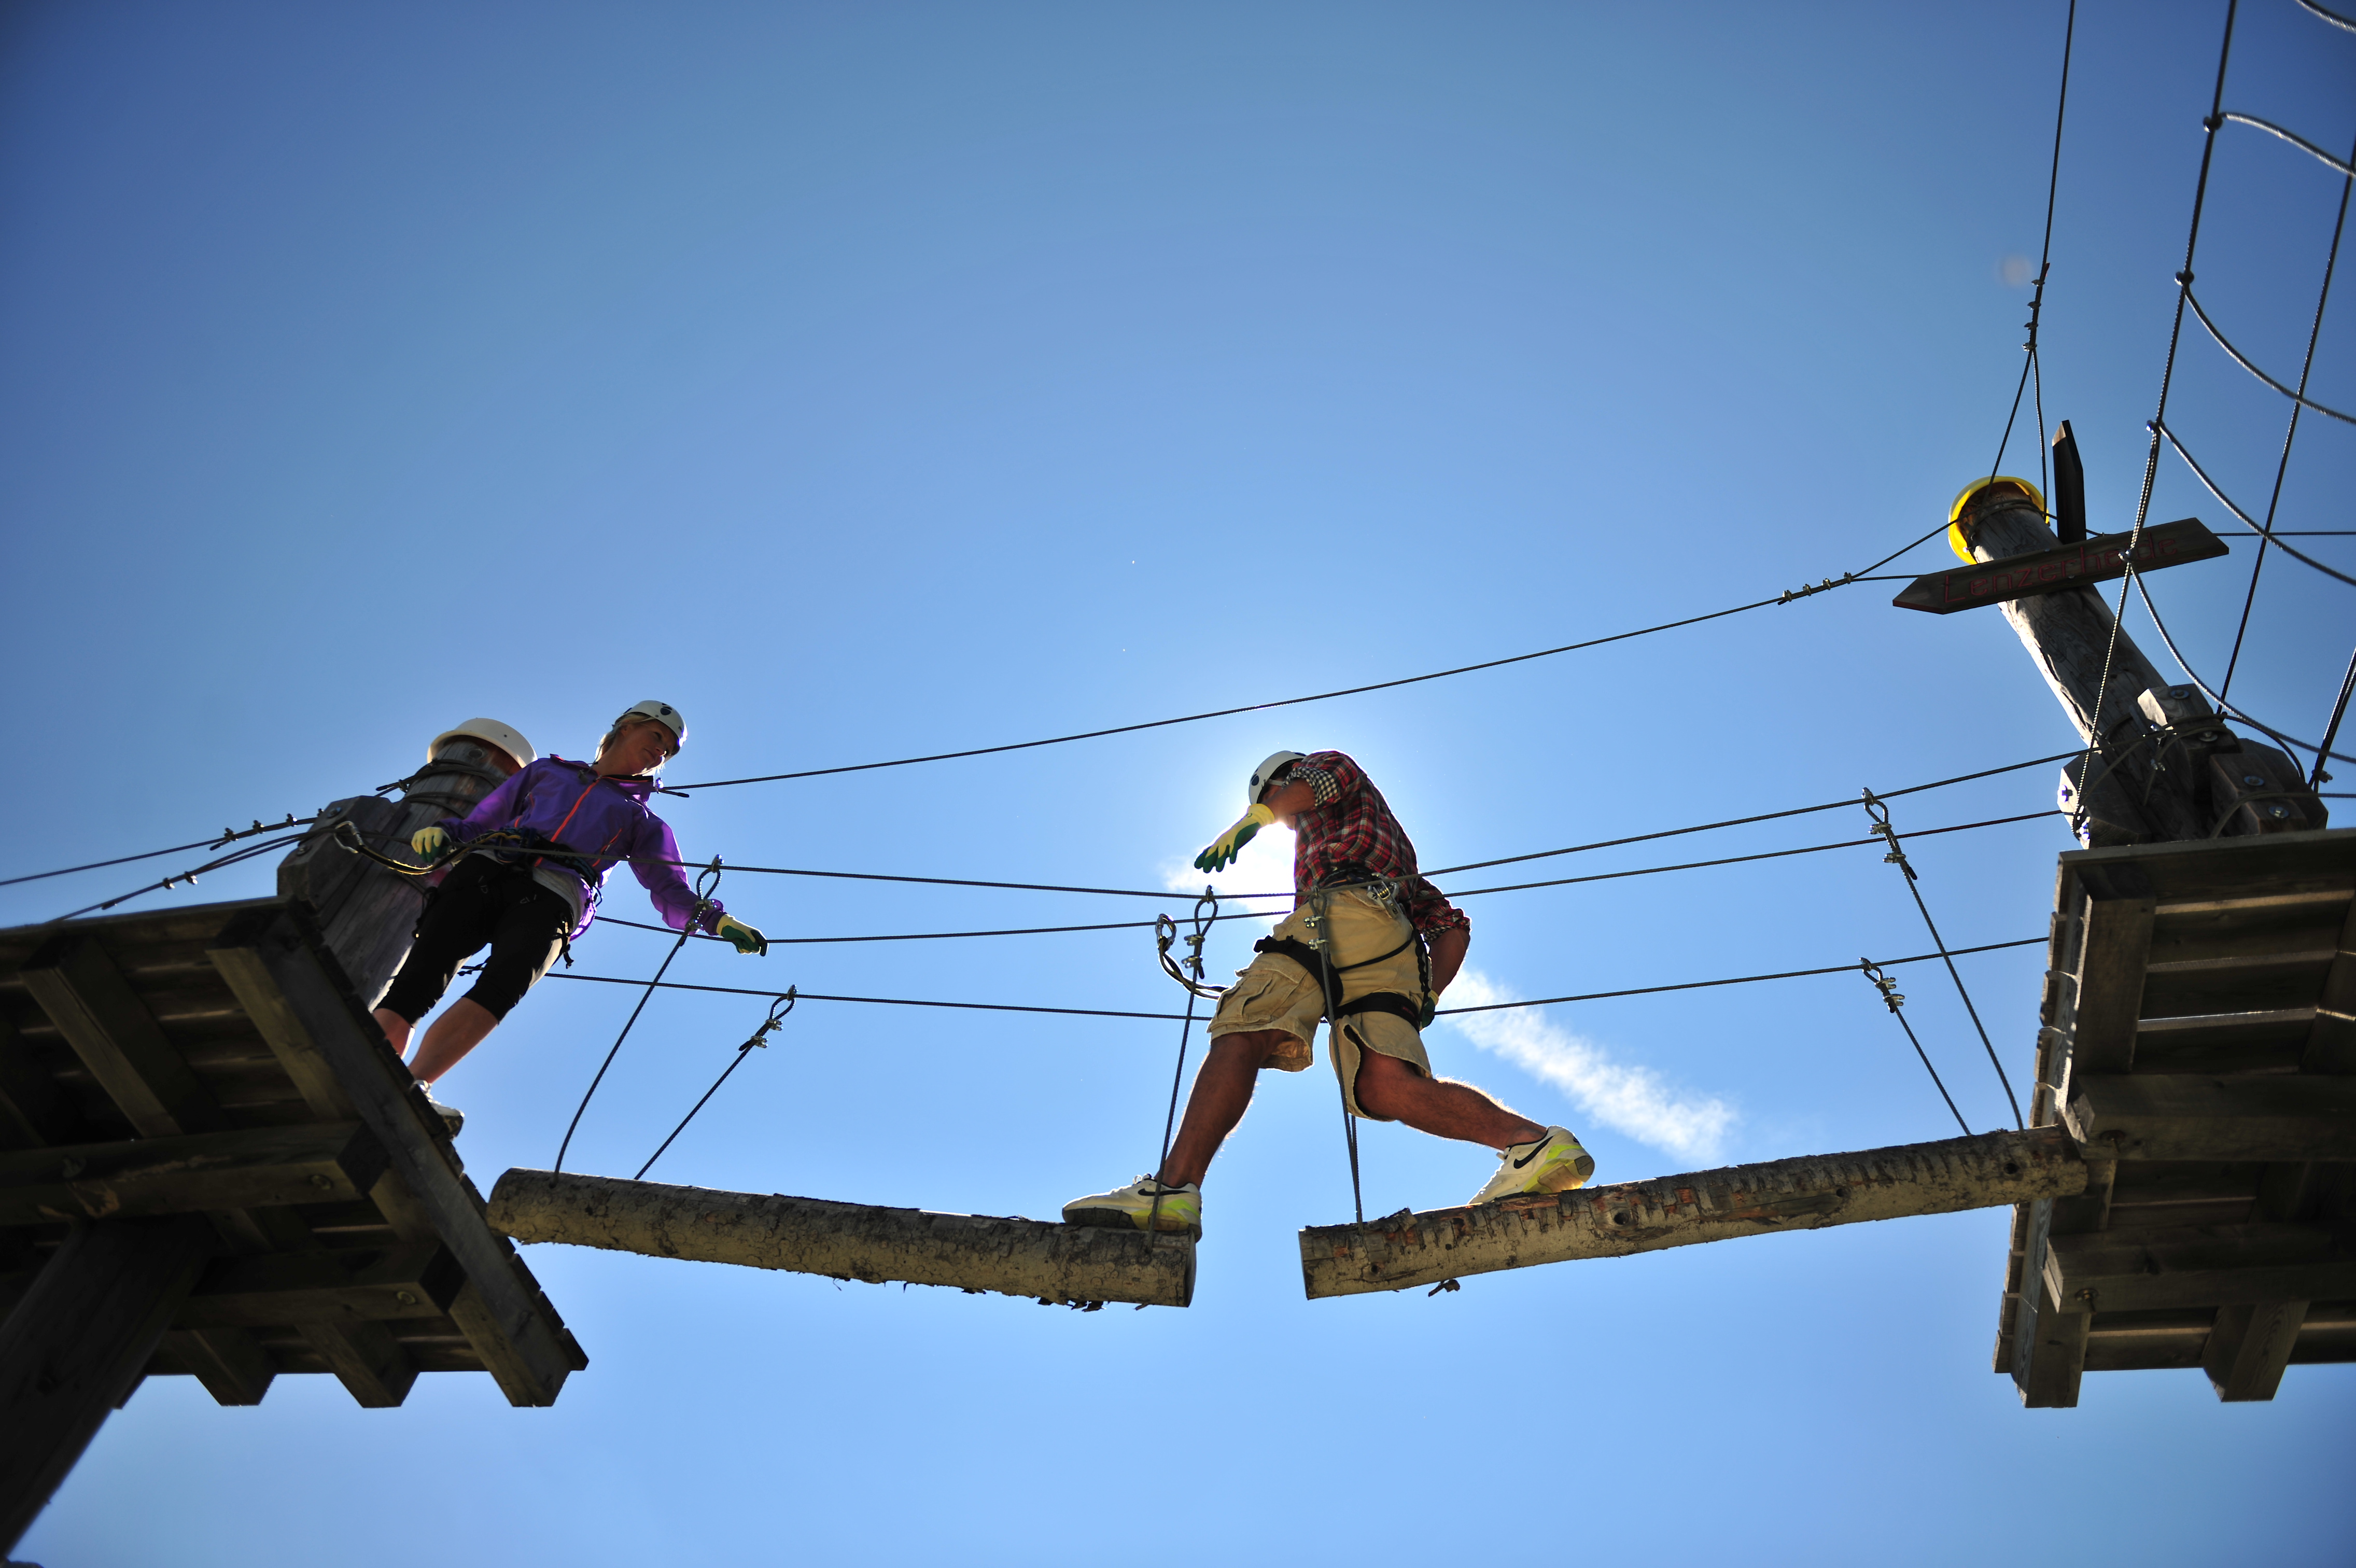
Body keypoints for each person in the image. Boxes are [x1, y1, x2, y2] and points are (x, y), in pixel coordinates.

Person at [1063, 749, 1591, 1237]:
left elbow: (1316, 784)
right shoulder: (1397, 863)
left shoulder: (1322, 772)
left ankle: (1172, 1191)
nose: (1286, 820)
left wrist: (1256, 817)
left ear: (1279, 779)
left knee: (1243, 1033)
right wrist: (1425, 996)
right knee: (1383, 1085)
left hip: (1334, 913)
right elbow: (1450, 926)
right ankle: (1533, 1145)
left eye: (1278, 802)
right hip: (1393, 946)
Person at [371, 701, 767, 1133]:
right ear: (625, 727)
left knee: (503, 986)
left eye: (669, 751)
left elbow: (669, 887)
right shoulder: (547, 772)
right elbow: (488, 817)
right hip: (488, 869)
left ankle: (415, 1083)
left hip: (554, 897)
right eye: (656, 737)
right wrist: (447, 832)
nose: (661, 753)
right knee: (422, 974)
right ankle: (368, 1067)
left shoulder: (641, 820)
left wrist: (718, 922)